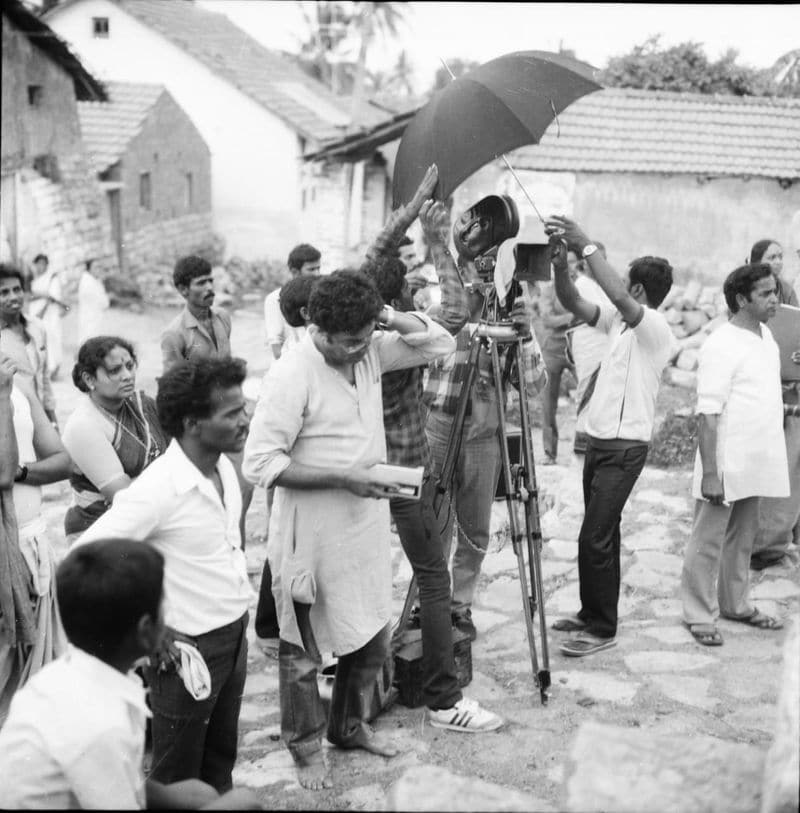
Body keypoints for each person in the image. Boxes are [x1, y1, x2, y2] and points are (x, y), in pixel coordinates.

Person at [242, 269, 455, 790]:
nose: (360, 351)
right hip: (308, 534)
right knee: (302, 652)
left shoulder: (372, 348)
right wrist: (343, 477)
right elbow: (260, 463)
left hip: (363, 525)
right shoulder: (292, 374)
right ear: (317, 327)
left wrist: (381, 315)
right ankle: (305, 746)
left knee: (370, 638)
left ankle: (348, 725)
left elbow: (441, 341)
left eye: (367, 337)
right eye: (349, 342)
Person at [362, 167, 503, 732]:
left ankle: (357, 681)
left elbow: (375, 256)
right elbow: (453, 316)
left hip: (359, 472)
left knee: (368, 575)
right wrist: (437, 237)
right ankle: (444, 700)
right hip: (404, 471)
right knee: (433, 576)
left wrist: (413, 206)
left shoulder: (338, 330)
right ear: (398, 299)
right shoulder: (399, 343)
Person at [75, 358, 254, 792]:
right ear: (193, 424)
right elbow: (85, 558)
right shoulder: (157, 490)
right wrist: (150, 632)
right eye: (232, 413)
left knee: (219, 763)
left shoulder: (224, 468)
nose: (246, 418)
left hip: (233, 636)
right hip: (187, 650)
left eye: (243, 407)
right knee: (175, 777)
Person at [0, 539, 262, 809]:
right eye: (164, 604)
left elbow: (115, 779)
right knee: (243, 803)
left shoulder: (63, 675)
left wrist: (170, 796)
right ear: (146, 629)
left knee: (198, 793)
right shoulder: (103, 725)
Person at [544, 215, 676, 657]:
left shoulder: (654, 328)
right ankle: (591, 611)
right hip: (598, 444)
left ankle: (602, 629)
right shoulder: (615, 324)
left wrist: (584, 243)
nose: (618, 285)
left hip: (626, 451)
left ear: (637, 290)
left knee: (593, 537)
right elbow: (570, 300)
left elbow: (615, 293)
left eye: (625, 281)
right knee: (602, 534)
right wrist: (562, 265)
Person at [423, 205, 547, 643]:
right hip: (439, 422)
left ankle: (460, 606)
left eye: (494, 255)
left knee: (474, 526)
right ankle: (430, 602)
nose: (485, 266)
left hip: (485, 430)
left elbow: (533, 385)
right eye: (479, 256)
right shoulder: (436, 285)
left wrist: (523, 335)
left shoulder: (513, 298)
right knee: (434, 519)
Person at [680, 264, 788, 645]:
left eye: (775, 291)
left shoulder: (767, 336)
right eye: (766, 293)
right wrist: (712, 473)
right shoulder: (721, 343)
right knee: (707, 538)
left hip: (755, 459)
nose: (775, 299)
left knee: (743, 537)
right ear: (742, 299)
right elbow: (708, 414)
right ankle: (697, 612)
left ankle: (735, 603)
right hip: (725, 462)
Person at [161, 255, 252, 544]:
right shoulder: (175, 334)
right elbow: (174, 389)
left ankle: (236, 555)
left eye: (211, 280)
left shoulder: (223, 318)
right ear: (183, 290)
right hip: (203, 427)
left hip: (231, 418)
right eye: (201, 283)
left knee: (241, 493)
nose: (210, 287)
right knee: (210, 501)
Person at [0, 350, 71, 720]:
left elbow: (62, 460)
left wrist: (25, 473)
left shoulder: (19, 386)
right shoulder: (5, 388)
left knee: (37, 678)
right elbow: (1, 471)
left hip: (33, 543)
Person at [61, 336, 168, 539]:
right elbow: (123, 496)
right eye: (114, 370)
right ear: (89, 379)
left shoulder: (142, 404)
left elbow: (180, 455)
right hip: (100, 530)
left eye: (130, 366)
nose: (127, 375)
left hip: (150, 518)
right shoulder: (83, 425)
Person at [747, 240, 800, 569]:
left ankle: (778, 538)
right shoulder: (748, 293)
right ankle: (757, 541)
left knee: (790, 466)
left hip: (791, 388)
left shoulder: (790, 292)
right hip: (763, 389)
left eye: (782, 256)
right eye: (772, 257)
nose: (778, 262)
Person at [566, 242, 612, 455]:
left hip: (603, 346)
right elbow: (607, 313)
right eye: (595, 260)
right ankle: (583, 450)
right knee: (588, 397)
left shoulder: (602, 286)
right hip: (589, 345)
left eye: (603, 260)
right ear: (586, 264)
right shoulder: (584, 284)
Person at [0, 265, 57, 425]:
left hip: (41, 419)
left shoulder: (36, 327)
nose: (13, 297)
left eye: (17, 289)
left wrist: (52, 420)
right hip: (12, 421)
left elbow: (44, 379)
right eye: (4, 292)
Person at [539, 250, 581, 464]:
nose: (571, 267)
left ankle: (583, 450)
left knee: (588, 396)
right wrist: (573, 315)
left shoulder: (581, 287)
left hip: (577, 349)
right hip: (553, 349)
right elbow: (547, 319)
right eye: (568, 262)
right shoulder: (549, 289)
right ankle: (549, 453)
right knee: (548, 404)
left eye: (574, 262)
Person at [264, 244, 321, 361]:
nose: (317, 274)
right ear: (295, 272)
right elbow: (276, 348)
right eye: (311, 269)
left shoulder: (319, 295)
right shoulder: (275, 299)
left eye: (318, 268)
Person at [29, 254, 66, 379]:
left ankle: (54, 369)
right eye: (38, 264)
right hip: (36, 314)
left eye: (43, 264)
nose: (40, 267)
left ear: (46, 265)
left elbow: (53, 297)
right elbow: (30, 296)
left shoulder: (52, 278)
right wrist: (42, 294)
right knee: (41, 340)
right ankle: (46, 369)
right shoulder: (34, 280)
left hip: (49, 314)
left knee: (53, 338)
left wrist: (42, 311)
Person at [77, 260, 110, 344]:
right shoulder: (87, 282)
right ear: (89, 269)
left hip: (95, 319)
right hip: (90, 320)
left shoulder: (94, 281)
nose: (98, 270)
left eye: (99, 267)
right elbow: (103, 303)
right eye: (95, 267)